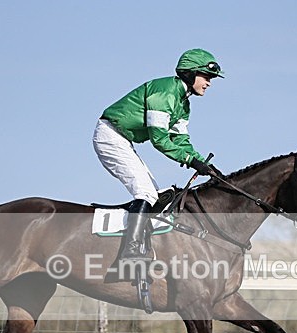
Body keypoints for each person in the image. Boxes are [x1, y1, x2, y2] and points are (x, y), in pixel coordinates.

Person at [93, 48, 224, 261]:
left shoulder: (183, 103)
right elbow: (160, 140)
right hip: (109, 135)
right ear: (191, 74)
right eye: (206, 76)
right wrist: (191, 161)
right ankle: (131, 250)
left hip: (122, 139)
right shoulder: (164, 93)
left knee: (152, 192)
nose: (209, 82)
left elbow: (181, 140)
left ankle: (139, 242)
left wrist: (201, 162)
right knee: (146, 192)